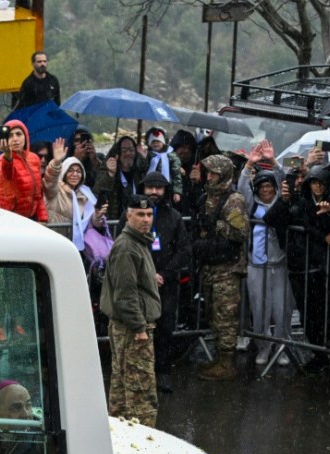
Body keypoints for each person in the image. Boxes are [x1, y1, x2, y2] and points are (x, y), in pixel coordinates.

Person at [100, 194, 161, 427]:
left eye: (149, 215)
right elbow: (125, 294)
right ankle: (144, 437)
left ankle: (119, 431)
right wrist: (138, 327)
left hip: (129, 325)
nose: (146, 219)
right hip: (132, 327)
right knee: (139, 388)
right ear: (128, 215)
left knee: (122, 382)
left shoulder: (137, 241)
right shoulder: (127, 246)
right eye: (140, 214)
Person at [191, 154, 249, 381]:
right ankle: (218, 358)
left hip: (227, 267)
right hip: (209, 264)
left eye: (214, 173)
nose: (210, 176)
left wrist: (218, 226)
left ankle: (227, 362)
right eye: (209, 172)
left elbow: (240, 231)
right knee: (213, 313)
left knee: (226, 315)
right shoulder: (206, 197)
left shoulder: (234, 199)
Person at [237, 164, 293, 368]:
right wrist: (248, 166)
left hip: (280, 265)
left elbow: (283, 181)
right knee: (259, 310)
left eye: (269, 186)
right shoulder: (252, 205)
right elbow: (243, 189)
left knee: (282, 310)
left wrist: (274, 163)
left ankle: (282, 347)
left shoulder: (281, 203)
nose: (266, 190)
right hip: (256, 266)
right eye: (262, 186)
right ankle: (264, 346)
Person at [140, 172, 191, 393]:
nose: (154, 192)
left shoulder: (174, 217)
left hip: (166, 283)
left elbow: (184, 249)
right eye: (150, 187)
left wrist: (165, 274)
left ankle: (163, 372)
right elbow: (123, 247)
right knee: (140, 329)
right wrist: (146, 274)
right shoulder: (132, 215)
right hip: (139, 283)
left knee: (164, 328)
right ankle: (141, 374)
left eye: (158, 188)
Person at [0, 119, 47, 223]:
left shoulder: (34, 158)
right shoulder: (2, 159)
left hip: (32, 219)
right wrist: (8, 155)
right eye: (10, 135)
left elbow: (38, 194)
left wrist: (43, 218)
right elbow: (7, 174)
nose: (15, 139)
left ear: (25, 137)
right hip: (10, 220)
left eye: (19, 134)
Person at [95, 135, 147, 221]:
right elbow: (97, 191)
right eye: (124, 150)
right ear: (118, 152)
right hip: (114, 221)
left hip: (135, 220)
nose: (128, 153)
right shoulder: (107, 166)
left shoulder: (139, 170)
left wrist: (143, 159)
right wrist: (110, 174)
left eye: (131, 150)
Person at [144, 127, 184, 206]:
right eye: (153, 142)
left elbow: (176, 175)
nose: (155, 144)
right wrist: (142, 158)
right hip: (150, 187)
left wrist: (177, 191)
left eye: (158, 141)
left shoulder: (172, 156)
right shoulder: (147, 155)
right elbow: (142, 169)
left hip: (167, 186)